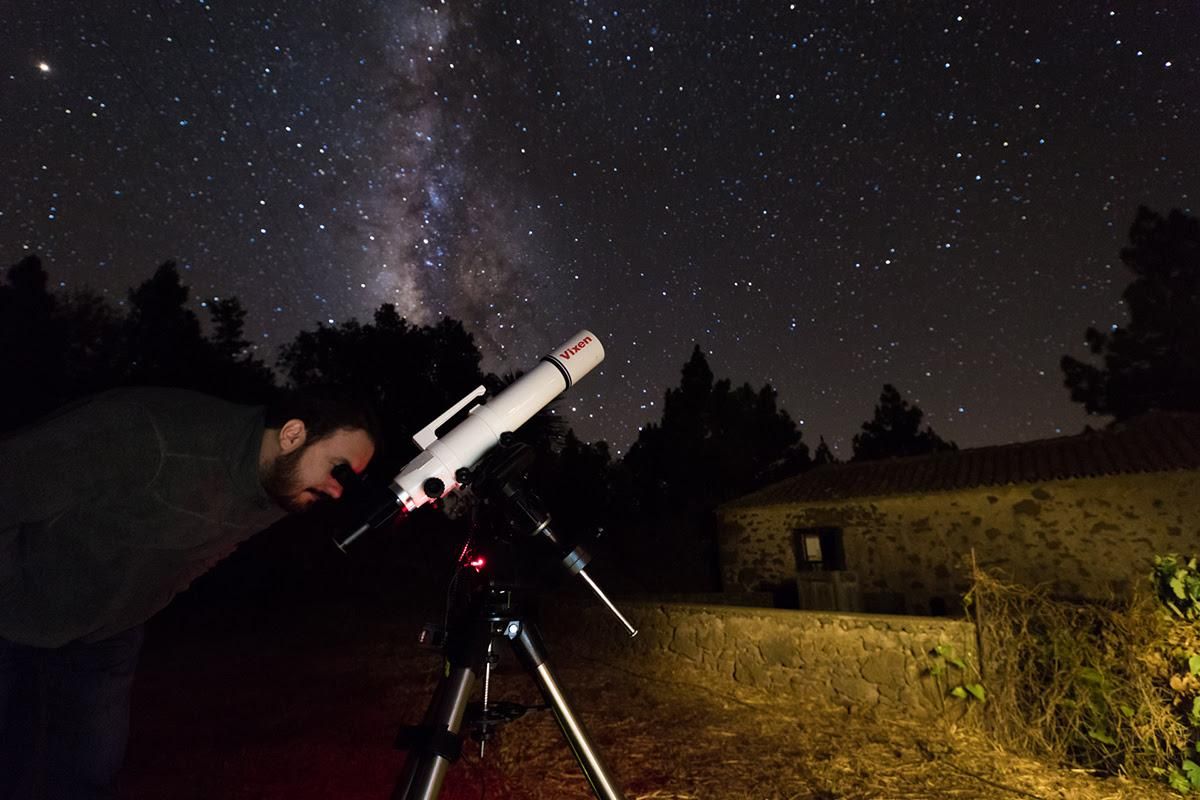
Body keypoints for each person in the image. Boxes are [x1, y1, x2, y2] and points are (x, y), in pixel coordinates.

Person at [0, 385, 380, 799]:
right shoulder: (151, 432)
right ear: (292, 434)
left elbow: (202, 556)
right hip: (13, 613)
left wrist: (140, 605)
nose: (338, 490)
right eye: (337, 468)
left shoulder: (275, 493)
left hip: (107, 637)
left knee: (85, 779)